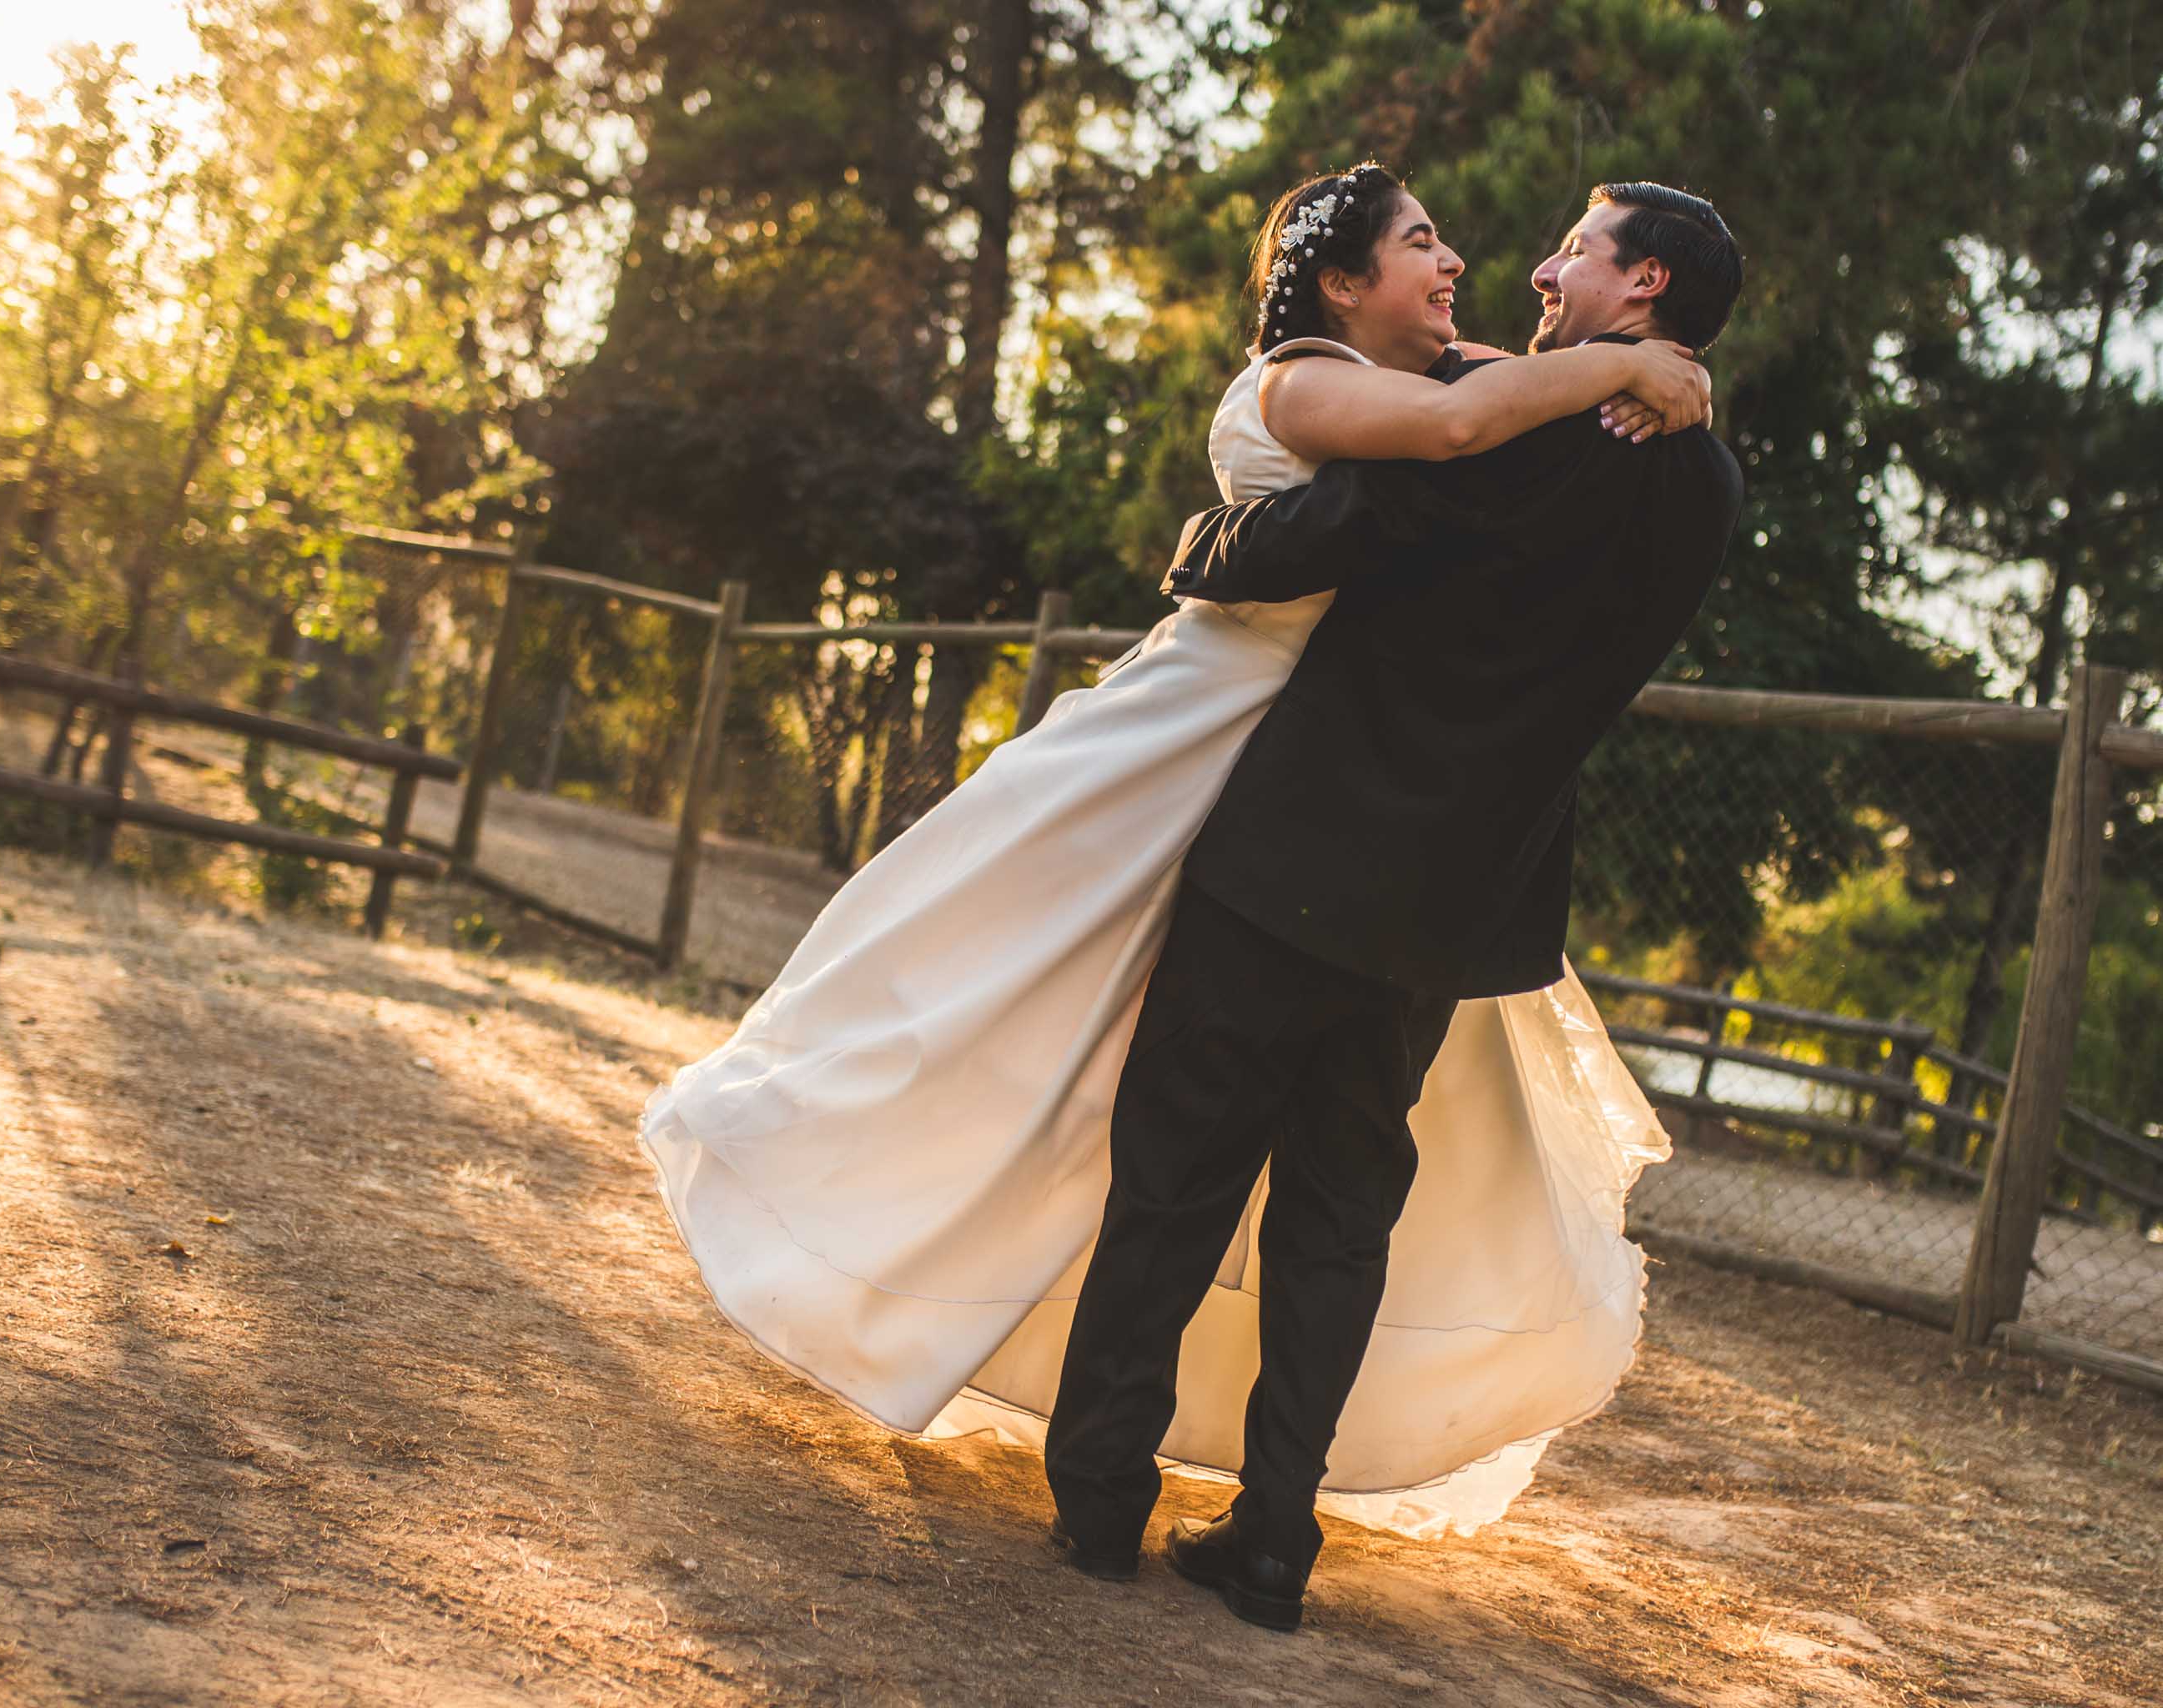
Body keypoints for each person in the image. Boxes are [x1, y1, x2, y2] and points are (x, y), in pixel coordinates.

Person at [638, 164, 1740, 1630]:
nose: (1539, 271)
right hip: (1458, 905)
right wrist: (1660, 383)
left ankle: (1101, 1496)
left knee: (1177, 1173)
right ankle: (1276, 1537)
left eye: (1578, 254)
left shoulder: (1490, 448)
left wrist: (1206, 547)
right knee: (1345, 1214)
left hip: (1291, 857)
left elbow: (1304, 539)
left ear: (1643, 283)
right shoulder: (1707, 485)